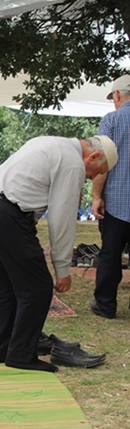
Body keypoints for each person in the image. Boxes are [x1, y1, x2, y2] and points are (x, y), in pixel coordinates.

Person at [0, 135, 116, 372]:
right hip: (4, 215)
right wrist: (62, 269)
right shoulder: (73, 162)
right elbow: (62, 219)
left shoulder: (49, 142)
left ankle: (0, 350)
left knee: (6, 286)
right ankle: (21, 355)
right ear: (93, 156)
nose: (92, 178)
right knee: (38, 287)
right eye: (97, 172)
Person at [92, 75, 130, 319]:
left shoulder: (112, 120)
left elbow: (100, 162)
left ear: (118, 95)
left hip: (116, 201)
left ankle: (105, 305)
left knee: (110, 254)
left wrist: (96, 196)